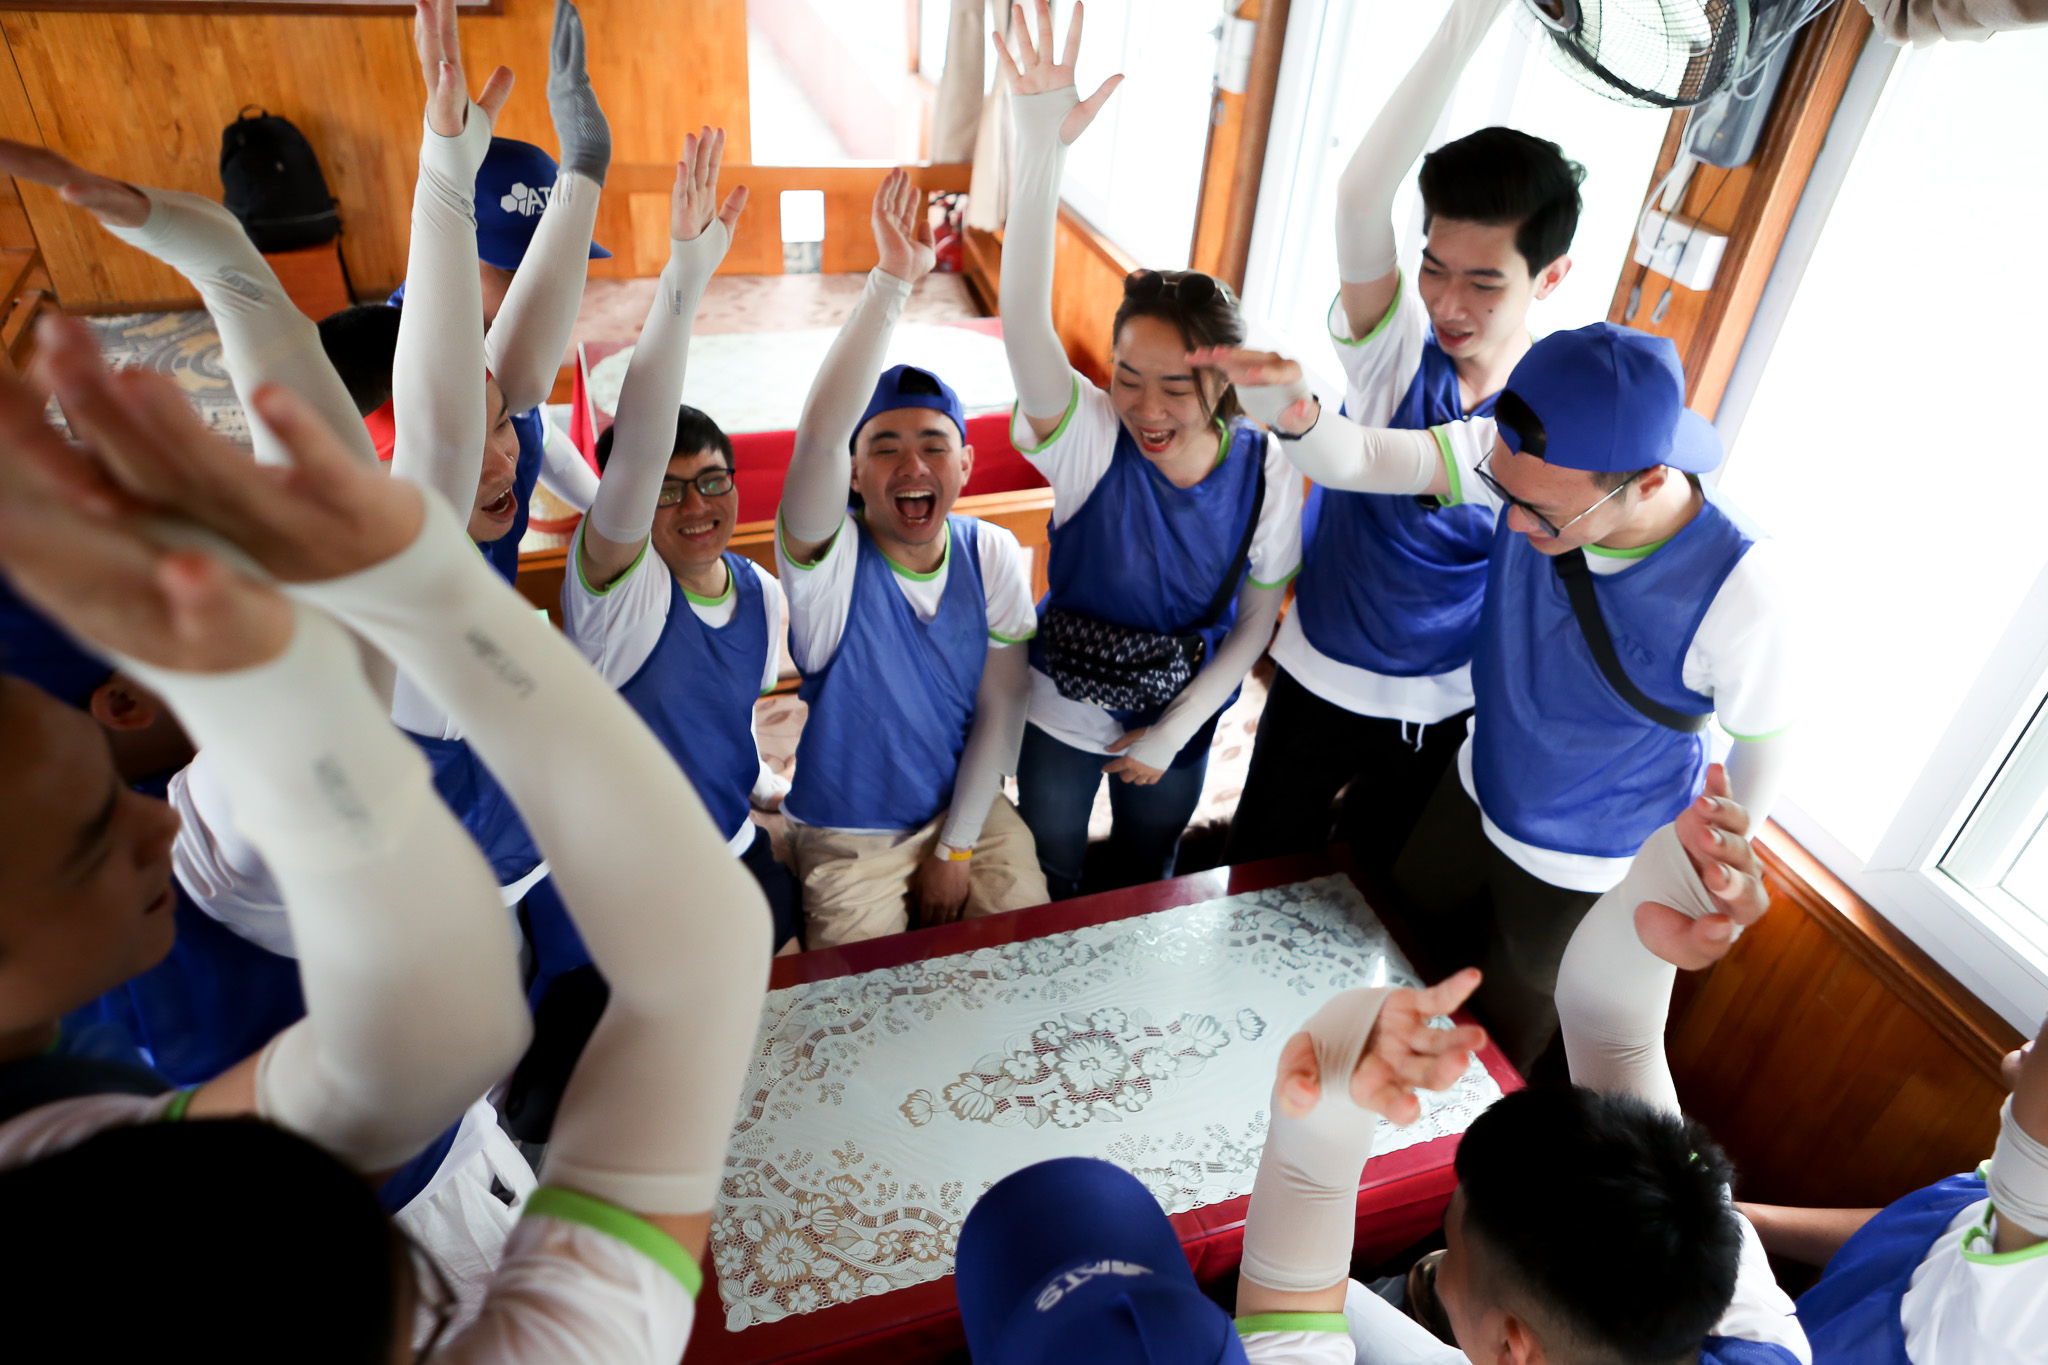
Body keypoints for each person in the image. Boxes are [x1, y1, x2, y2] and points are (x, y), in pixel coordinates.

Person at [1, 292, 771, 1360]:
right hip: (443, 1197)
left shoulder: (56, 1125)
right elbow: (477, 1022)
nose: (146, 833)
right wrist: (417, 598)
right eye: (95, 830)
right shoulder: (215, 848)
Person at [1197, 323, 1795, 1073]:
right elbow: (1361, 457)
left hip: (1586, 865)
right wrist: (1297, 417)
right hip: (1473, 792)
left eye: (1542, 513)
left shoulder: (1743, 588)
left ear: (1647, 481)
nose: (1510, 522)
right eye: (1505, 494)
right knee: (1390, 967)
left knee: (1488, 1058)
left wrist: (1705, 872)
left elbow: (1764, 746)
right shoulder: (1517, 458)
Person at [1227, 0, 1583, 881]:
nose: (1449, 304)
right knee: (1251, 880)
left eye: (1484, 283)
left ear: (1551, 278)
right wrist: (1471, 19)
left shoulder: (1556, 416)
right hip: (1317, 674)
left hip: (1445, 705)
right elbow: (1359, 196)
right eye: (1433, 267)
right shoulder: (1394, 356)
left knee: (1377, 907)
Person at [1555, 773, 2048, 1364]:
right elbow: (1613, 1034)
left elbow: (1610, 1034)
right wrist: (1725, 1219)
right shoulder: (2003, 1227)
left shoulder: (2022, 1297)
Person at [994, 0, 1305, 899]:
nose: (1147, 407)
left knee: (1149, 874)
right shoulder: (1094, 433)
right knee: (1050, 866)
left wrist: (1174, 730)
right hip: (1063, 698)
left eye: (1177, 386)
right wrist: (1040, 149)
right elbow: (1023, 324)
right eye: (1128, 376)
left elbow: (1256, 619)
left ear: (1227, 380)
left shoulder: (1266, 463)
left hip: (1184, 702)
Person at [775, 169, 1047, 946]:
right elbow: (818, 437)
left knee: (1031, 951)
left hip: (965, 811)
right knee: (868, 1001)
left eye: (933, 444)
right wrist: (893, 281)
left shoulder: (991, 551)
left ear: (966, 465)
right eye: (885, 447)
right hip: (848, 830)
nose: (913, 465)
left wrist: (955, 847)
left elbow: (1002, 708)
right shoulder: (828, 560)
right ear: (854, 474)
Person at [557, 126, 801, 959]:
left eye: (712, 481)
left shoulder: (761, 594)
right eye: (666, 488)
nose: (695, 505)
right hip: (629, 872)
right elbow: (639, 447)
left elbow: (726, 714)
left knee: (791, 980)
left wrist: (760, 780)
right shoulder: (620, 589)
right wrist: (684, 280)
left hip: (729, 842)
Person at [378, 0, 611, 580]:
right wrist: (446, 168)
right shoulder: (386, 382)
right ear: (456, 254)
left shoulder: (512, 363)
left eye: (555, 262)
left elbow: (541, 436)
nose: (541, 290)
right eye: (514, 269)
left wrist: (610, 512)